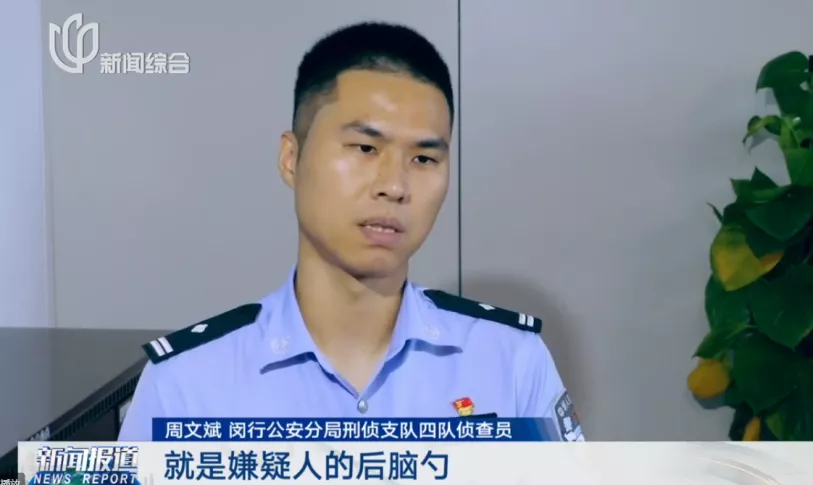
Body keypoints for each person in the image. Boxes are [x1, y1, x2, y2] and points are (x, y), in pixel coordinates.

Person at [117, 22, 582, 442]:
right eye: (364, 148)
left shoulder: (510, 361)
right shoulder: (186, 383)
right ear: (291, 159)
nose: (394, 186)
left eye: (424, 158)